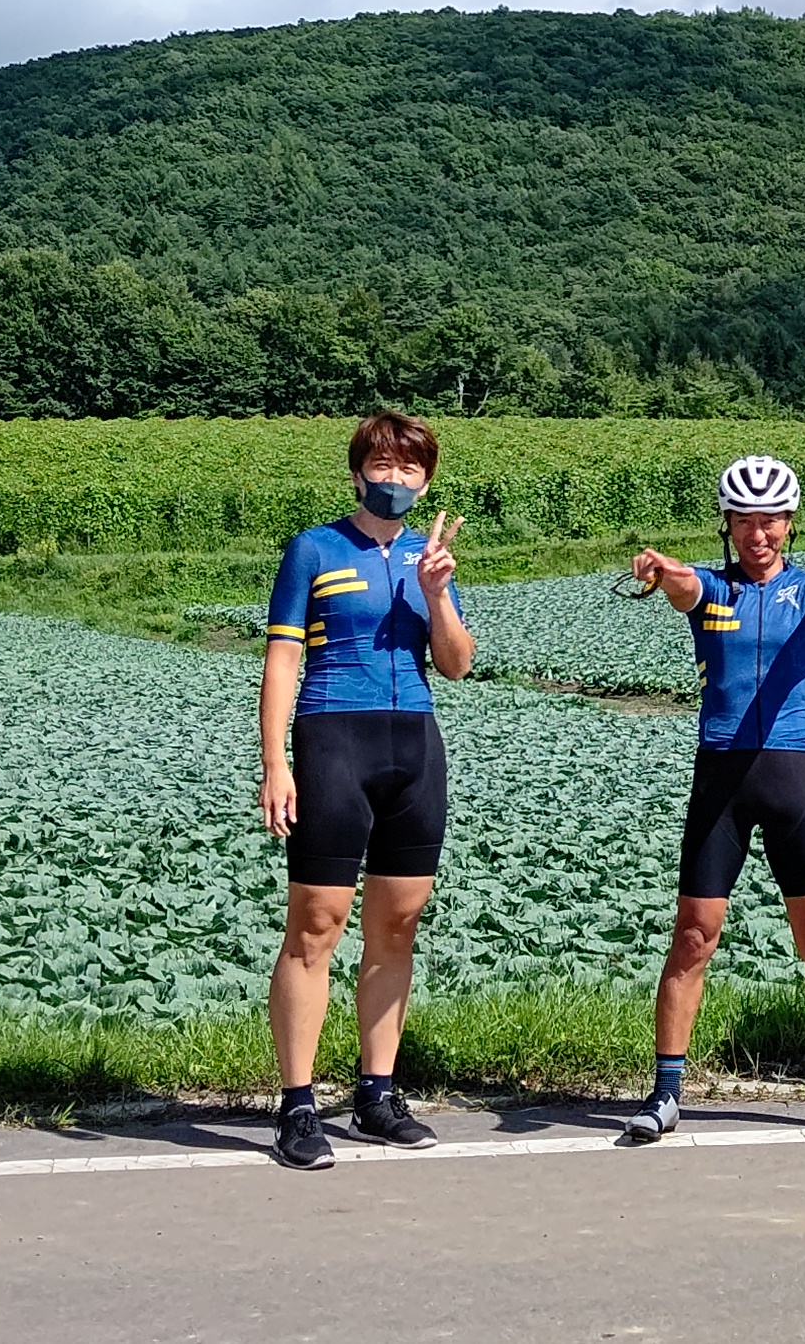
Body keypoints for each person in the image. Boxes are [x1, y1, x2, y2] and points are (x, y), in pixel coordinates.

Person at [614, 454, 805, 1146]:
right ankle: (665, 1093)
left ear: (789, 522)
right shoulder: (711, 591)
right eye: (745, 519)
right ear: (729, 524)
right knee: (693, 937)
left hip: (792, 777)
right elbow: (684, 586)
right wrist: (661, 567)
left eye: (771, 518)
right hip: (722, 778)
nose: (759, 532)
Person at [259, 410, 479, 1169]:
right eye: (381, 466)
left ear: (426, 480)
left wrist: (438, 594)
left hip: (414, 745)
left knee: (397, 927)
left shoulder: (430, 555)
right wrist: (276, 762)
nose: (394, 480)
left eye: (409, 469)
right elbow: (283, 662)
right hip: (332, 739)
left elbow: (456, 665)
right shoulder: (314, 548)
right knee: (316, 924)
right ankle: (296, 1107)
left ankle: (376, 1094)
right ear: (357, 473)